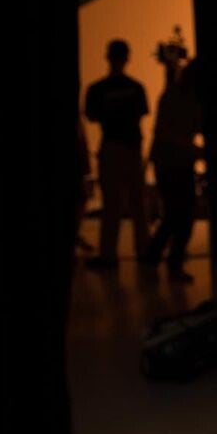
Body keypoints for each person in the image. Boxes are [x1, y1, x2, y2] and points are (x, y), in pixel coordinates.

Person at [83, 38, 149, 268]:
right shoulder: (136, 88)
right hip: (131, 148)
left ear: (108, 57)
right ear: (127, 58)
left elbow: (91, 115)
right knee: (137, 203)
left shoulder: (97, 89)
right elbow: (141, 113)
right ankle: (143, 251)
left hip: (111, 147)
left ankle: (109, 255)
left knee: (112, 204)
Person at [144, 45, 202, 283]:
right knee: (182, 215)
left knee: (175, 215)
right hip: (171, 164)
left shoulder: (183, 98)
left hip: (175, 163)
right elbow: (164, 131)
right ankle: (171, 261)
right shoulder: (176, 98)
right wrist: (191, 148)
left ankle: (155, 256)